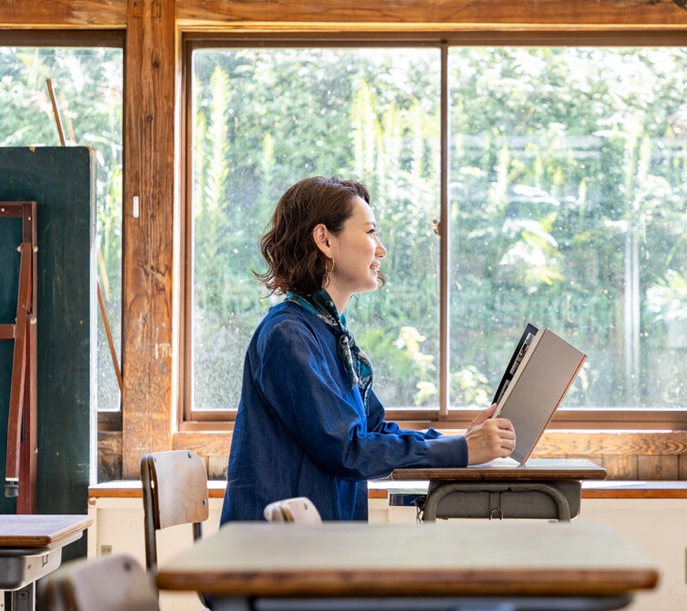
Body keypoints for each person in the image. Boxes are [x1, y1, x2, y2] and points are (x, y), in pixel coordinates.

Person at [221, 176, 516, 523]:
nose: (381, 249)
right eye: (371, 232)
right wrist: (463, 450)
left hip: (316, 547)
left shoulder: (327, 331)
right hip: (280, 558)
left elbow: (374, 433)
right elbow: (347, 451)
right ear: (324, 240)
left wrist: (460, 442)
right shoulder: (289, 336)